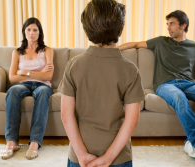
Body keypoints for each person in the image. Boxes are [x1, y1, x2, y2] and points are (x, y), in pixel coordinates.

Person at [117, 10, 195, 161]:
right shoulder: (161, 41)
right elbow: (135, 44)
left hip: (189, 84)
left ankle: (192, 142)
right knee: (179, 97)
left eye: (172, 24)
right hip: (166, 85)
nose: (168, 28)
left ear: (183, 26)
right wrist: (115, 50)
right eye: (167, 24)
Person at [58, 0, 145, 166]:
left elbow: (66, 115)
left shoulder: (73, 65)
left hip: (79, 156)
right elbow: (132, 120)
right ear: (120, 32)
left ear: (86, 31)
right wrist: (108, 158)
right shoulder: (130, 69)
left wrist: (82, 154)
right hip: (118, 157)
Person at [1, 17, 54, 160]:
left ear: (40, 32)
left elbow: (48, 76)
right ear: (24, 32)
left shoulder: (47, 50)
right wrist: (39, 73)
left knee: (43, 92)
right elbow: (12, 78)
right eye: (28, 29)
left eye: (35, 30)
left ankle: (35, 143)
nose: (32, 33)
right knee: (12, 91)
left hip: (43, 85)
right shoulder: (17, 52)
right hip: (22, 85)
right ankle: (12, 142)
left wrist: (25, 72)